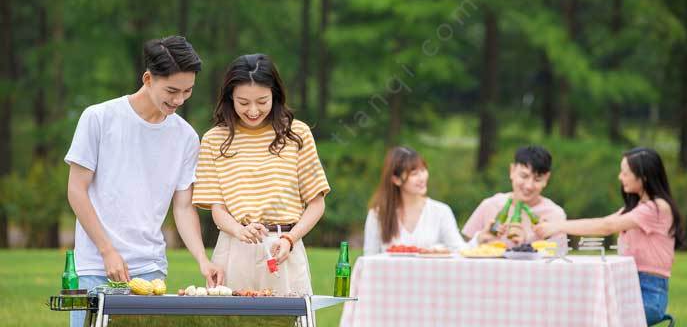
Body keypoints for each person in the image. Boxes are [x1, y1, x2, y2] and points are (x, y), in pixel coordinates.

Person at [65, 36, 224, 326]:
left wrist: (203, 259)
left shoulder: (186, 138)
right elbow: (76, 190)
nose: (179, 100)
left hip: (150, 270)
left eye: (188, 91)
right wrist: (107, 251)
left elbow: (183, 207)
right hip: (95, 266)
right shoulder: (99, 118)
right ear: (148, 79)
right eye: (172, 90)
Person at [192, 53, 330, 295]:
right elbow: (217, 208)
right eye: (243, 103)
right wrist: (239, 230)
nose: (253, 111)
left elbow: (317, 204)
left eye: (262, 101)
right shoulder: (214, 139)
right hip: (234, 248)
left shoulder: (296, 134)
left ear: (275, 95)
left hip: (285, 247)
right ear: (229, 98)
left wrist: (290, 239)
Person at [534, 148, 684, 326]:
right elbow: (603, 221)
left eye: (625, 173)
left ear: (643, 176)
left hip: (649, 295)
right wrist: (553, 224)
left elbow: (606, 227)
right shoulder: (635, 208)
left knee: (597, 318)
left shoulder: (656, 208)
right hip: (629, 286)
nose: (620, 177)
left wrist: (557, 226)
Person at [363, 146, 466, 255]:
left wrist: (478, 240)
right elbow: (370, 257)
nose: (422, 178)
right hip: (390, 272)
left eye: (423, 170)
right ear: (396, 180)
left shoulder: (441, 211)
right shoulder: (378, 214)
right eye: (414, 174)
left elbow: (459, 249)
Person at [462, 145, 567, 248]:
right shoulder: (490, 205)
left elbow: (558, 258)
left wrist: (526, 243)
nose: (529, 186)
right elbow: (463, 248)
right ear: (512, 171)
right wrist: (480, 238)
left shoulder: (555, 214)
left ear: (546, 179)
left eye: (537, 179)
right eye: (524, 176)